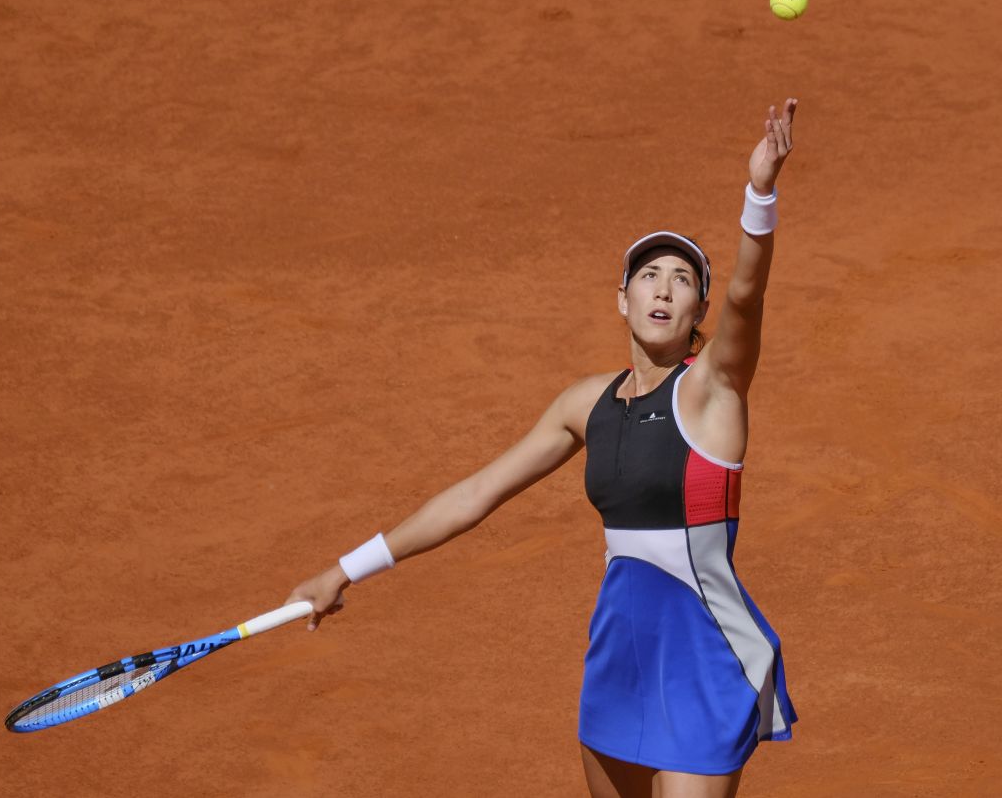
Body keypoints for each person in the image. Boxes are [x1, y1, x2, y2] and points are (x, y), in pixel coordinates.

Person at [286, 98, 801, 798]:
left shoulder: (713, 391)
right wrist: (344, 569)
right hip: (620, 654)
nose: (665, 287)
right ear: (621, 298)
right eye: (650, 274)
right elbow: (475, 495)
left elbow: (747, 294)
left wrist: (759, 194)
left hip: (705, 655)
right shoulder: (583, 403)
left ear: (696, 316)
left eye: (684, 281)